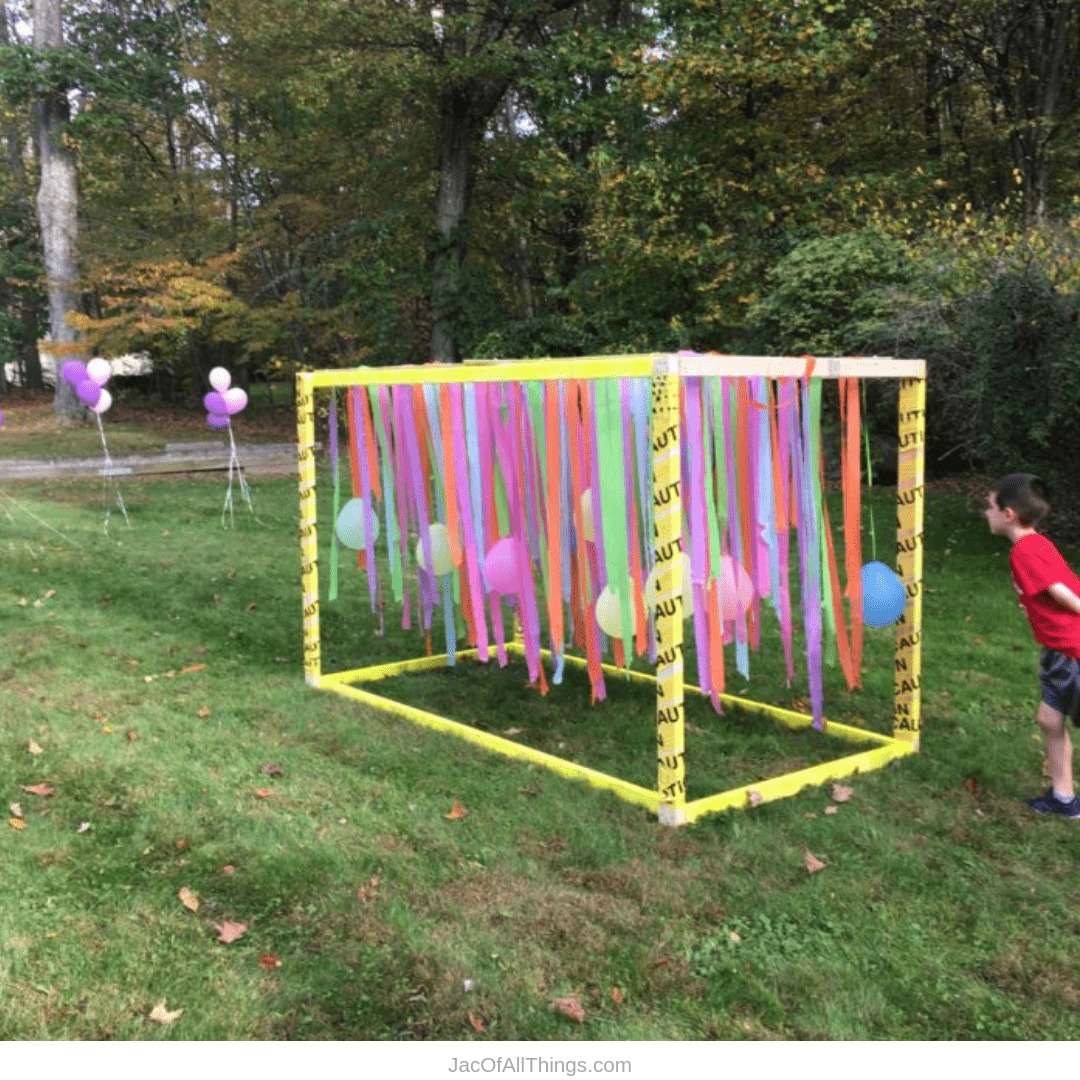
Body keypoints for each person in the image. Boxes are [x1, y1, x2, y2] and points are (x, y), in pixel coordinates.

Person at [985, 473, 1080, 817]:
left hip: (1071, 652)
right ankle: (1064, 798)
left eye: (989, 506)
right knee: (1049, 721)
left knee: (1054, 720)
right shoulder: (1035, 545)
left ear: (1008, 514)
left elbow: (1062, 593)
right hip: (1057, 650)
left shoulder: (1025, 550)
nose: (986, 512)